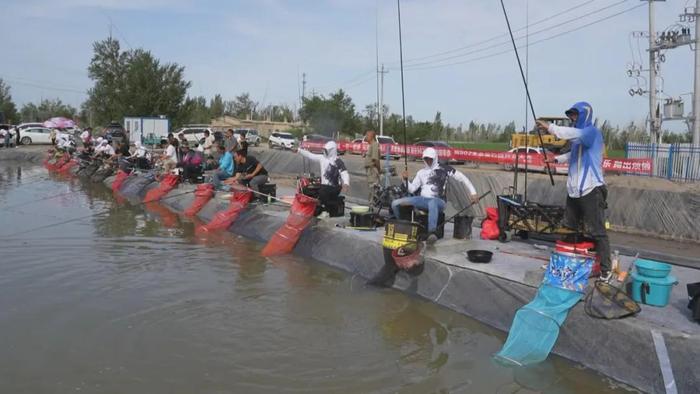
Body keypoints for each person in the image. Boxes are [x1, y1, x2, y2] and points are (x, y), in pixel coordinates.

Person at [536, 101, 611, 281]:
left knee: (597, 230)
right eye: (571, 116)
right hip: (575, 191)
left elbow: (571, 133)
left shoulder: (591, 132)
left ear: (585, 115)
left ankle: (605, 270)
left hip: (591, 189)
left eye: (575, 115)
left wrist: (550, 127)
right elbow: (573, 154)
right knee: (569, 228)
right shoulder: (578, 139)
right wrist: (556, 160)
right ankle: (565, 263)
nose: (572, 119)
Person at [391, 147, 478, 244]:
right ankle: (403, 226)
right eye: (426, 158)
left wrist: (473, 192)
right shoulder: (421, 172)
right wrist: (405, 180)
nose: (428, 161)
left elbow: (462, 178)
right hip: (422, 200)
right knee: (395, 203)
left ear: (435, 158)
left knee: (432, 202)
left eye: (430, 158)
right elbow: (412, 189)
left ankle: (431, 233)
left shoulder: (445, 169)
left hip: (439, 201)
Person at [297, 140, 350, 213]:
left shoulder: (338, 161)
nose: (325, 152)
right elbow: (310, 155)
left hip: (334, 187)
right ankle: (315, 207)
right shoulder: (322, 158)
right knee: (306, 190)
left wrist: (346, 183)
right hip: (324, 186)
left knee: (323, 193)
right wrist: (298, 150)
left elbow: (344, 173)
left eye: (327, 150)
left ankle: (325, 208)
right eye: (325, 150)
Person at [364, 130, 381, 202]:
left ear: (371, 136)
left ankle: (372, 208)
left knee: (373, 190)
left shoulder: (374, 144)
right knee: (371, 190)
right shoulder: (371, 145)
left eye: (367, 135)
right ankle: (371, 206)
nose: (366, 137)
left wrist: (379, 170)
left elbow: (375, 160)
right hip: (370, 171)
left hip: (372, 171)